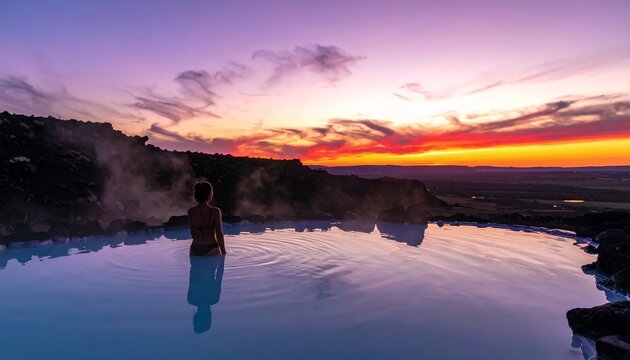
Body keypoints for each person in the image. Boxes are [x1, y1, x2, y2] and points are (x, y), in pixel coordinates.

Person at [187, 255, 225, 333]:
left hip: (196, 250)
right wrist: (223, 256)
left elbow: (192, 274)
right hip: (208, 253)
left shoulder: (214, 298)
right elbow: (192, 274)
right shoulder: (191, 299)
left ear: (209, 314)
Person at [188, 181, 226, 256]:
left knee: (196, 268)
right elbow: (219, 234)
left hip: (195, 248)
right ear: (209, 194)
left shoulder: (191, 211)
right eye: (211, 192)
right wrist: (224, 252)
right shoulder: (215, 211)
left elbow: (192, 232)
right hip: (211, 247)